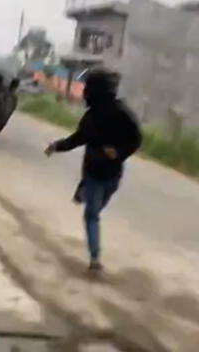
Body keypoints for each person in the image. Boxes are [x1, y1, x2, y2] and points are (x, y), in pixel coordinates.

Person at [45, 68, 142, 272]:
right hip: (95, 174)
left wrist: (118, 152)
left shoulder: (121, 114)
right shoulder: (93, 117)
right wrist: (56, 146)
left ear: (97, 90)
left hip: (111, 175)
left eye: (88, 87)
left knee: (94, 210)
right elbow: (77, 139)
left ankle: (84, 193)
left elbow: (136, 139)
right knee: (92, 214)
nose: (85, 92)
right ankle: (95, 259)